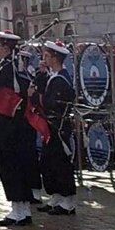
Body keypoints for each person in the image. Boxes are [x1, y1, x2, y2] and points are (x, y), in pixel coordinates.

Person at [0, 30, 37, 227]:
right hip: (18, 122)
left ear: (6, 48)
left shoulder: (5, 68)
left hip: (6, 121)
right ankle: (22, 209)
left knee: (9, 164)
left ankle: (18, 210)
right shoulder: (19, 66)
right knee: (18, 164)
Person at [38, 41, 78, 216]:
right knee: (48, 163)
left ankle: (67, 201)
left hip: (59, 127)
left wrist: (36, 100)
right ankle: (55, 195)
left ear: (55, 58)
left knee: (61, 163)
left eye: (47, 56)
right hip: (50, 128)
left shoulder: (61, 79)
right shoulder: (52, 77)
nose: (44, 59)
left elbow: (54, 104)